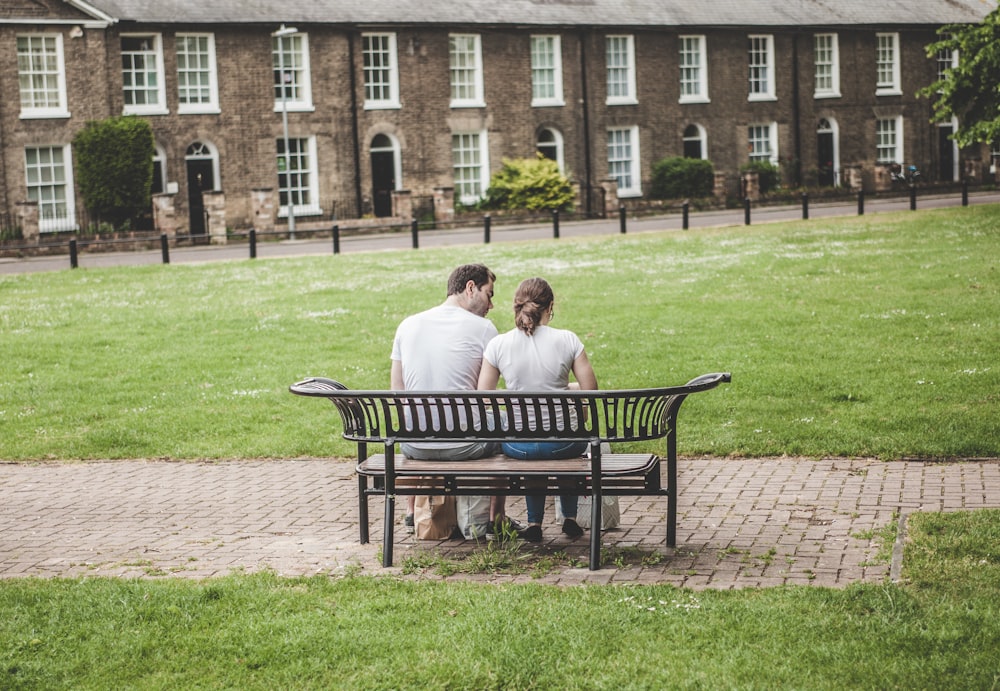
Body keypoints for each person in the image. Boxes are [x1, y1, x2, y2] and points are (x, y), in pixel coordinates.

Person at [390, 263, 514, 536]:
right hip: (465, 445)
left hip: (414, 445)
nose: (490, 305)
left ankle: (412, 512)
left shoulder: (407, 325)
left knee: (417, 418)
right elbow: (487, 399)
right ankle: (496, 516)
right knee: (506, 426)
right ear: (470, 288)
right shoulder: (484, 329)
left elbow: (398, 393)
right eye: (489, 294)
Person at [477, 277, 599, 542]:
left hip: (518, 445)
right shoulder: (567, 340)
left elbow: (484, 396)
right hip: (565, 445)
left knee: (533, 451)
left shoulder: (498, 344)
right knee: (565, 445)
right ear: (550, 306)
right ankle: (569, 518)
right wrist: (568, 390)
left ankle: (534, 522)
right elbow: (591, 390)